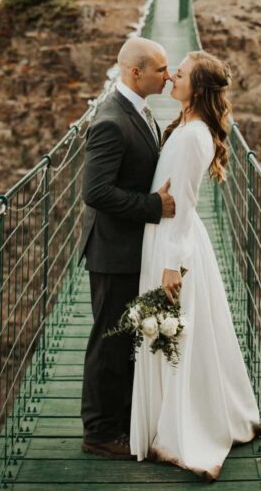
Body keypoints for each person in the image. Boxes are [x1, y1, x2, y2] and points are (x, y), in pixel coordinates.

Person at [130, 50, 261, 481]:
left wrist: (172, 265)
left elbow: (184, 205)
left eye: (180, 74)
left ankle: (183, 430)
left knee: (175, 336)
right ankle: (184, 415)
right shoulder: (188, 127)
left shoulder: (193, 136)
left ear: (197, 88)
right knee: (177, 334)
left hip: (173, 243)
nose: (171, 77)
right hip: (168, 237)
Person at [79, 36, 176, 460]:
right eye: (160, 69)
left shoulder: (137, 110)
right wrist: (154, 207)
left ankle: (123, 420)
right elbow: (95, 192)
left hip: (131, 248)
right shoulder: (110, 121)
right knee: (109, 342)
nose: (168, 75)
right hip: (114, 253)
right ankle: (100, 433)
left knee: (125, 339)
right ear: (136, 72)